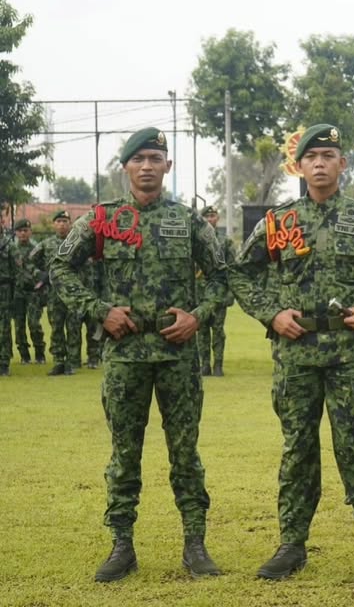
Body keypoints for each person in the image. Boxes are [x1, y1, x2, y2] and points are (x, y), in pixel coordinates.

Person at [50, 127, 228, 581]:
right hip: (125, 354)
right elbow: (61, 268)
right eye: (138, 159)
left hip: (177, 354)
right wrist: (100, 310)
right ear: (125, 167)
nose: (147, 166)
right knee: (124, 453)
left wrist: (197, 316)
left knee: (185, 452)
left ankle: (195, 544)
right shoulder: (104, 219)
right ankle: (121, 545)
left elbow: (223, 278)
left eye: (155, 158)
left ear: (168, 166)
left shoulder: (189, 221)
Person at [229, 124, 354, 581]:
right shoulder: (278, 223)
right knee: (298, 448)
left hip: (351, 353)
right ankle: (292, 545)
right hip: (297, 353)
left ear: (342, 164)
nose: (320, 164)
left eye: (328, 156)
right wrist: (271, 314)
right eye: (312, 157)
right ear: (299, 166)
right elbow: (240, 274)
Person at [30, 210, 81, 375]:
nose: (62, 224)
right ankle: (59, 361)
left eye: (65, 221)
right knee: (56, 327)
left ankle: (72, 362)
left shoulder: (78, 243)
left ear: (70, 224)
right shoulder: (46, 244)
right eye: (59, 221)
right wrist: (40, 274)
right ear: (54, 224)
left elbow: (89, 265)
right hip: (54, 293)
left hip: (73, 293)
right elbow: (29, 261)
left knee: (73, 328)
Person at [196, 206, 235, 376]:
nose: (210, 219)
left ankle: (218, 365)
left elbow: (232, 269)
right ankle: (204, 365)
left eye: (212, 216)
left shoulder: (225, 242)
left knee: (218, 329)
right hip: (200, 293)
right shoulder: (196, 241)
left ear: (217, 218)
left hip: (219, 293)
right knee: (202, 330)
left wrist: (230, 293)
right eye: (207, 216)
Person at [12, 218, 46, 364]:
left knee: (34, 324)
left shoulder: (36, 249)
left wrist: (41, 287)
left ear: (30, 232)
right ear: (15, 232)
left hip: (33, 292)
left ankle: (40, 354)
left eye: (25, 230)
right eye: (20, 231)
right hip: (17, 293)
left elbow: (44, 270)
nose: (23, 233)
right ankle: (24, 355)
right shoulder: (12, 248)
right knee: (19, 326)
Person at [0, 223, 14, 376]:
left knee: (4, 328)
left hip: (4, 290)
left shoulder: (8, 245)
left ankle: (3, 363)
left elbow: (18, 270)